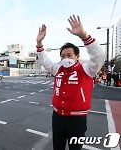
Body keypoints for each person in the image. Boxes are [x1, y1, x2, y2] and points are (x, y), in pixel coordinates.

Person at [36, 15, 105, 150]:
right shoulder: (57, 69)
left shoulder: (86, 69)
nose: (65, 58)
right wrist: (39, 43)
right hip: (57, 117)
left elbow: (99, 56)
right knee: (58, 147)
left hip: (77, 120)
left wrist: (84, 35)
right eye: (62, 56)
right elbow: (44, 61)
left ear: (77, 57)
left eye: (69, 55)